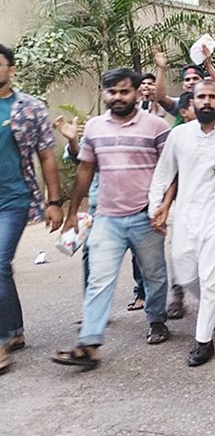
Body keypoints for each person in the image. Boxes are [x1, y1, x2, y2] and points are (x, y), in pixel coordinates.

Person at [52, 68, 172, 370]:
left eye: (124, 91)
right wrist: (72, 214)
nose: (118, 97)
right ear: (104, 94)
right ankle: (89, 344)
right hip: (106, 217)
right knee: (99, 279)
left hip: (145, 216)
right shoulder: (94, 127)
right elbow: (85, 170)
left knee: (154, 275)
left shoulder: (156, 126)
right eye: (112, 92)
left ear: (136, 93)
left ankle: (157, 320)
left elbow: (170, 170)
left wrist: (165, 207)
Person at [148, 80, 215, 366]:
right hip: (185, 215)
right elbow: (163, 173)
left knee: (209, 278)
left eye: (212, 97)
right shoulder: (179, 135)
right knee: (185, 273)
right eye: (201, 97)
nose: (207, 101)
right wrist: (155, 207)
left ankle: (203, 341)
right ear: (192, 101)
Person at [0, 44, 64, 375]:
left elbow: (47, 156)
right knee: (1, 268)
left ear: (11, 69)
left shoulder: (30, 108)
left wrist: (54, 202)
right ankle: (14, 331)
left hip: (15, 199)